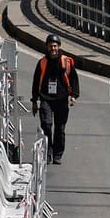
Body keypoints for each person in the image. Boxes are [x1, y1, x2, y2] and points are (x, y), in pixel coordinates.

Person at [32, 35, 80, 164]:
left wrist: (74, 96)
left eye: (55, 46)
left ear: (58, 47)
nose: (53, 48)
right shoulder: (42, 62)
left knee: (60, 128)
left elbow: (74, 80)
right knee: (46, 125)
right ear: (47, 47)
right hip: (46, 99)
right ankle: (47, 153)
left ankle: (57, 154)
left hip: (62, 99)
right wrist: (34, 101)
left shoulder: (66, 62)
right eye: (50, 46)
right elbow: (36, 82)